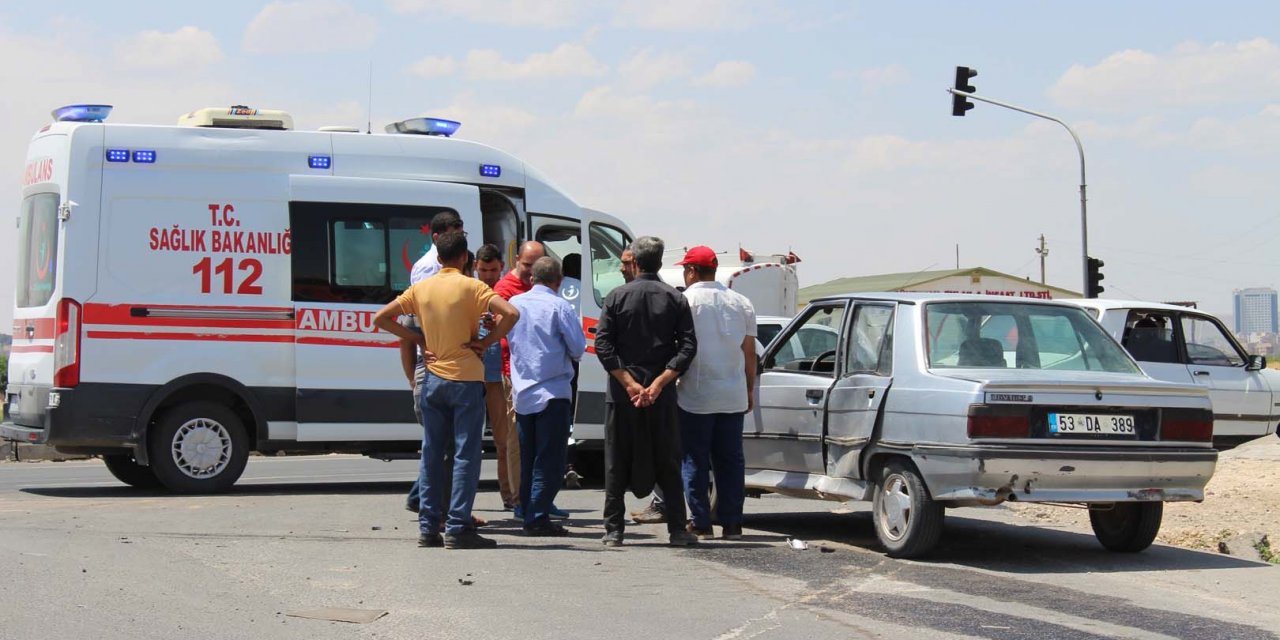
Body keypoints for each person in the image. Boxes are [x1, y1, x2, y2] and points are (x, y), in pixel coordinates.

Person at [375, 231, 520, 550]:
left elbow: (382, 318)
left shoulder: (421, 289)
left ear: (438, 259)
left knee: (432, 453)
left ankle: (428, 528)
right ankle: (457, 526)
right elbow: (511, 314)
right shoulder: (474, 287)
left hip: (433, 379)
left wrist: (418, 340)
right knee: (466, 455)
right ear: (466, 258)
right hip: (467, 379)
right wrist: (486, 341)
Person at [595, 236, 699, 547]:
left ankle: (614, 530)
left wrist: (629, 383)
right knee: (668, 459)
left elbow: (603, 345)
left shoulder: (616, 297)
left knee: (616, 460)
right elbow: (688, 346)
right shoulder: (675, 298)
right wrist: (659, 383)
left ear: (636, 263)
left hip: (622, 393)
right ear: (660, 262)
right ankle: (678, 530)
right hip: (660, 393)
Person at [675, 246, 756, 540]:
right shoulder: (741, 302)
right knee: (731, 460)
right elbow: (749, 353)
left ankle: (700, 521)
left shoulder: (686, 301)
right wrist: (749, 389)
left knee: (694, 459)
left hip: (696, 394)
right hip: (732, 393)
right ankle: (732, 523)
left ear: (692, 271)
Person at [507, 256, 587, 536]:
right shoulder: (560, 306)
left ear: (532, 278)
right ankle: (537, 516)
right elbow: (578, 348)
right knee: (550, 459)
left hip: (522, 393)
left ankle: (528, 509)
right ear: (559, 280)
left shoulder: (514, 304)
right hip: (553, 391)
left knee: (529, 458)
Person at [495, 241, 569, 520]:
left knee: (543, 445)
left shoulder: (541, 293)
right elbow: (499, 335)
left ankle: (540, 499)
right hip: (515, 374)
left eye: (536, 267)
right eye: (527, 265)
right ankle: (520, 501)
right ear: (516, 260)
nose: (530, 273)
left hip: (538, 378)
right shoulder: (505, 291)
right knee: (519, 443)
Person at [402, 211, 465, 513]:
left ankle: (424, 500)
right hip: (438, 362)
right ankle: (434, 508)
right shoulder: (429, 268)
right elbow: (425, 318)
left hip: (439, 361)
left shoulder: (436, 268)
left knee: (440, 445)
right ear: (438, 237)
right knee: (442, 446)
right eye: (455, 231)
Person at [474, 243, 520, 510]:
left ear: (501, 266)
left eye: (492, 270)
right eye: (483, 270)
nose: (488, 275)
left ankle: (508, 496)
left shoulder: (503, 293)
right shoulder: (472, 291)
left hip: (497, 375)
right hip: (471, 374)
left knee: (503, 441)